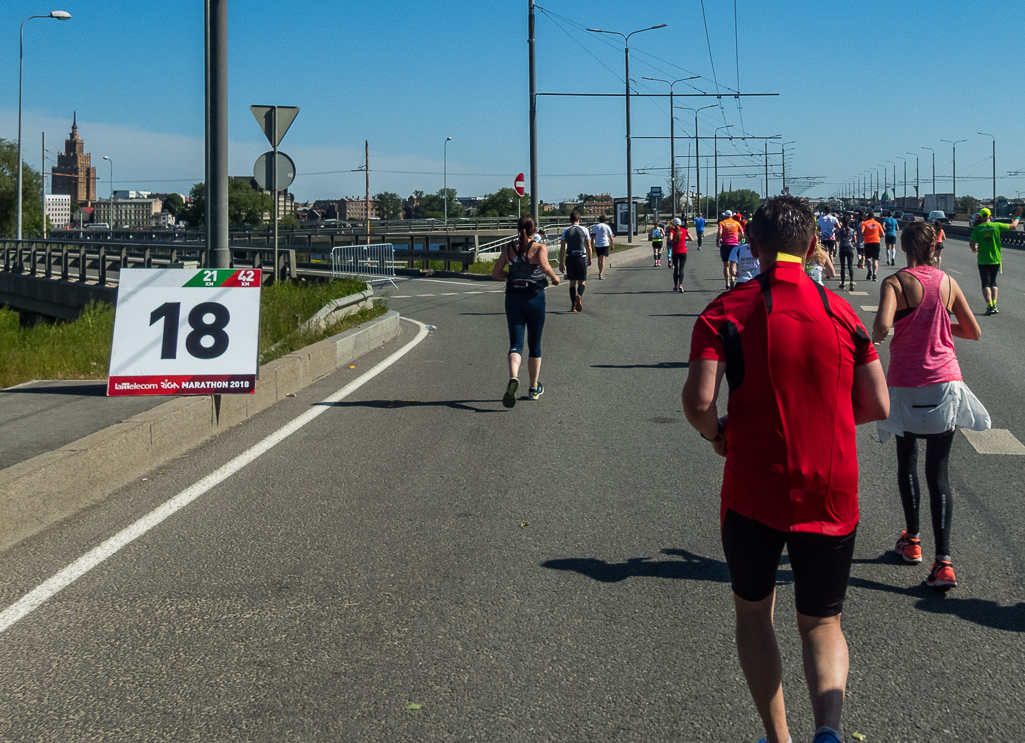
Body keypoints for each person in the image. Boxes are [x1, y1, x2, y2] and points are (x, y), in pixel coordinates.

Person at [683, 195, 889, 743]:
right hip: (830, 488)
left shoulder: (724, 310)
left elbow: (699, 403)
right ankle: (829, 731)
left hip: (754, 488)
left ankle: (779, 738)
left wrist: (719, 436)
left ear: (752, 248)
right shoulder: (842, 311)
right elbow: (877, 404)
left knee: (754, 615)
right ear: (815, 245)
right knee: (823, 622)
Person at [871, 222, 989, 589]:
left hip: (906, 385)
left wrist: (892, 328)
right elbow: (973, 331)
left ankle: (912, 543)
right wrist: (940, 324)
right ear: (934, 248)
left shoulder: (894, 282)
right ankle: (944, 563)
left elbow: (882, 328)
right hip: (945, 383)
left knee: (906, 462)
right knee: (939, 473)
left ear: (904, 248)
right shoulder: (949, 283)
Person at [492, 215, 560, 407]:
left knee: (516, 343)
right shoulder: (539, 248)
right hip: (534, 298)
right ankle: (533, 388)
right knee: (535, 344)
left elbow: (496, 273)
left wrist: (512, 276)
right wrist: (555, 278)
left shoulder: (508, 248)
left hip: (513, 298)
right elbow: (545, 267)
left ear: (517, 229)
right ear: (535, 230)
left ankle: (514, 376)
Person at [969, 206, 1023, 315]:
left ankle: (989, 306)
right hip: (996, 259)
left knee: (985, 283)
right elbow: (1013, 226)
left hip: (983, 260)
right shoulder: (996, 226)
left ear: (980, 217)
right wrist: (1017, 216)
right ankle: (994, 304)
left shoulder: (978, 229)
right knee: (993, 282)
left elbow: (972, 243)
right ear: (990, 216)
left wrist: (974, 249)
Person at [558, 211, 592, 312]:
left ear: (570, 220)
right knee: (582, 280)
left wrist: (561, 262)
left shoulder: (565, 231)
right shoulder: (585, 230)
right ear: (579, 220)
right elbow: (588, 246)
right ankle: (579, 295)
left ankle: (573, 306)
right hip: (581, 257)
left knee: (572, 282)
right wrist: (590, 258)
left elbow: (562, 248)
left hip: (570, 257)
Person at [717, 210, 744, 291]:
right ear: (732, 216)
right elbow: (742, 234)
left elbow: (720, 232)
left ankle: (727, 283)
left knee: (726, 265)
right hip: (735, 245)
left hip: (725, 245)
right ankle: (733, 278)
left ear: (725, 216)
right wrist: (738, 240)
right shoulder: (737, 223)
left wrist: (717, 241)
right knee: (734, 263)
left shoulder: (722, 223)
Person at [860, 210, 884, 282]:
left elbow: (861, 231)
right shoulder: (878, 224)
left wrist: (863, 236)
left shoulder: (865, 223)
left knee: (868, 258)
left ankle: (869, 270)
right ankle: (874, 274)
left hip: (868, 242)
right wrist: (877, 236)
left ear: (867, 217)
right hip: (876, 242)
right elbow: (883, 234)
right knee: (875, 260)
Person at [836, 216, 857, 290]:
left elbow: (837, 239)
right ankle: (851, 281)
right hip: (850, 248)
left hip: (842, 248)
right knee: (850, 266)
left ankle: (843, 283)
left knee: (843, 267)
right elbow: (855, 240)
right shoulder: (852, 230)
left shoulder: (840, 231)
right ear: (849, 222)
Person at [590, 214, 614, 279]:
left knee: (599, 259)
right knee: (603, 258)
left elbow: (592, 237)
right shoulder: (607, 227)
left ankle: (600, 271)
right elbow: (611, 237)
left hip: (597, 244)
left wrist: (591, 246)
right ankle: (601, 273)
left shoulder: (595, 227)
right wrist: (612, 244)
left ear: (599, 220)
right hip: (605, 243)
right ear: (605, 221)